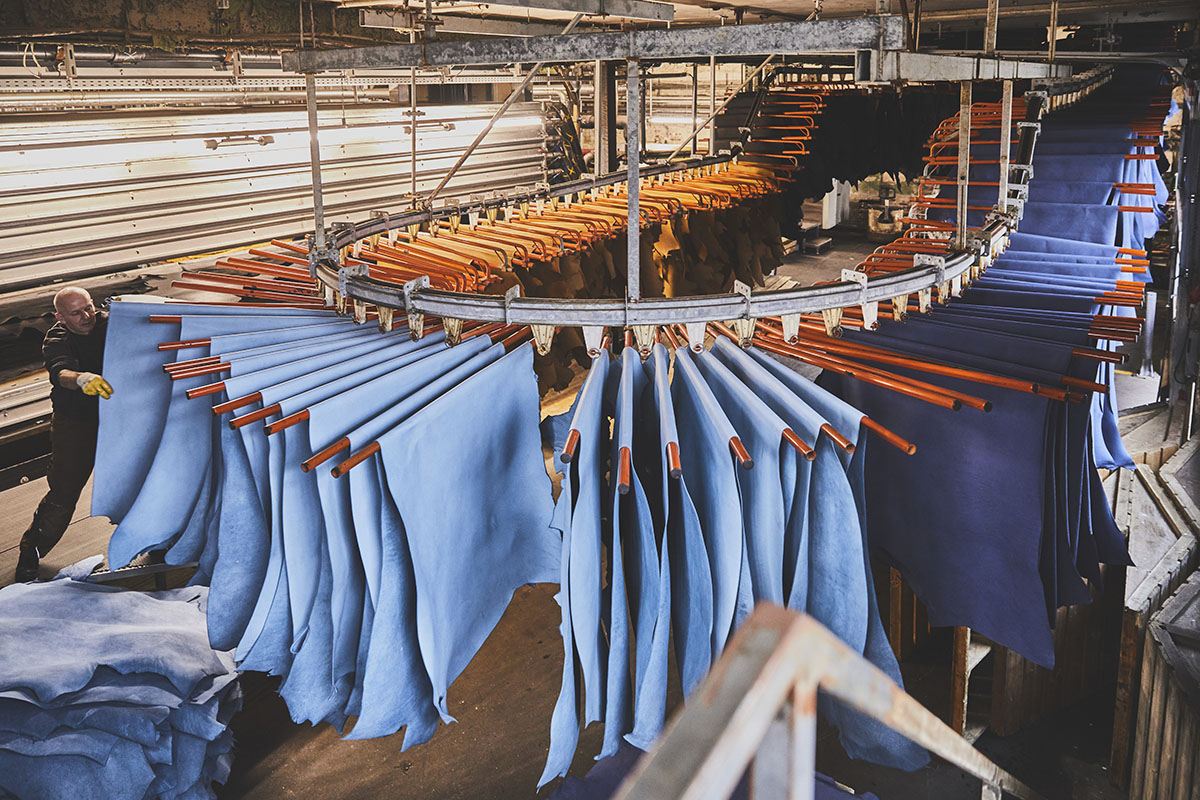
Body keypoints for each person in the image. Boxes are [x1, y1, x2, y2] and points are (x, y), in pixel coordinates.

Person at [15, 287, 114, 583]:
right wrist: (82, 379)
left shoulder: (110, 322)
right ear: (60, 317)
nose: (87, 316)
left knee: (136, 483)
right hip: (76, 422)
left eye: (89, 308)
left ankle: (155, 543)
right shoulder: (58, 338)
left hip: (117, 417)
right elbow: (61, 374)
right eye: (76, 313)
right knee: (64, 491)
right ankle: (30, 553)